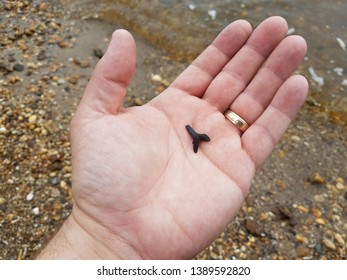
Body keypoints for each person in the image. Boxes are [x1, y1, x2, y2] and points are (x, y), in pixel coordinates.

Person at [36, 16, 308, 259]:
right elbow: (196, 137)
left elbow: (197, 137)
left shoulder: (196, 137)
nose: (198, 138)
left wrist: (97, 237)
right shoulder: (196, 137)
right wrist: (98, 231)